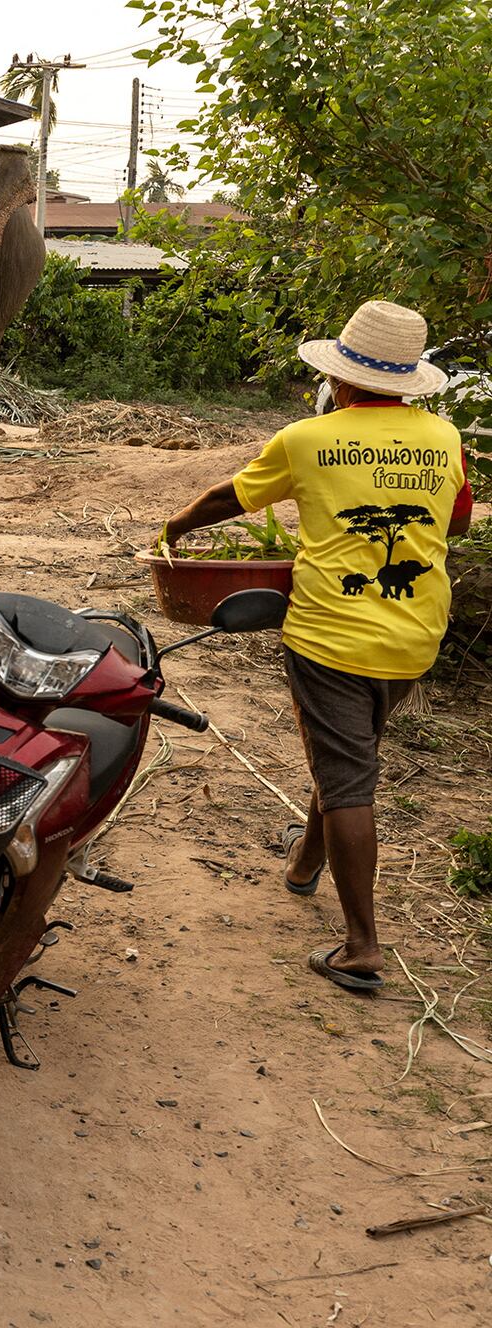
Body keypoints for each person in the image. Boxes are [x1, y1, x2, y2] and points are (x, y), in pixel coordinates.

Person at [160, 299, 474, 992]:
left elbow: (229, 498)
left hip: (331, 636)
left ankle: (362, 948)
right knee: (346, 753)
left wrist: (175, 527)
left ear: (344, 381)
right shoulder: (444, 438)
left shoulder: (307, 438)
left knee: (348, 776)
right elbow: (455, 520)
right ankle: (306, 864)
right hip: (417, 632)